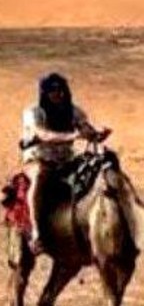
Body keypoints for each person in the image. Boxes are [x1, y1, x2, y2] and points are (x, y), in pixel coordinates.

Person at [20, 73, 110, 254]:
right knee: (38, 176)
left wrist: (97, 135)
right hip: (39, 159)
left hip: (65, 161)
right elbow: (44, 135)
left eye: (60, 89)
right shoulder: (34, 113)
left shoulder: (74, 111)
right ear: (44, 93)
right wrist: (73, 136)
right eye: (52, 90)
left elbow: (86, 128)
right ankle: (37, 232)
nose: (57, 94)